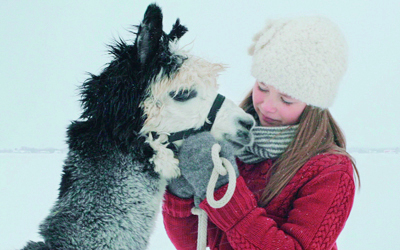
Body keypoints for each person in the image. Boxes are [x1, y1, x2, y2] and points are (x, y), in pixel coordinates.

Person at [162, 16, 360, 250]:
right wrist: (181, 192)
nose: (267, 106)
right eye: (262, 88)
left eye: (286, 99)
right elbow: (195, 243)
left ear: (313, 105)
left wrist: (224, 191)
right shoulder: (229, 144)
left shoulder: (331, 171)